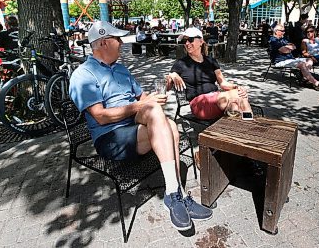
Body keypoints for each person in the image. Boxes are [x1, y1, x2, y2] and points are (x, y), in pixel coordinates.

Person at [69, 21, 212, 231]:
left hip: (134, 126)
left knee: (166, 121)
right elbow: (100, 117)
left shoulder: (120, 69)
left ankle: (174, 194)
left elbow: (143, 98)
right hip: (110, 137)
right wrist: (143, 104)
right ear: (104, 43)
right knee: (169, 125)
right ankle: (176, 194)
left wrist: (153, 98)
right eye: (117, 39)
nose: (121, 43)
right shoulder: (83, 75)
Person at [169, 27, 252, 120]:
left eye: (190, 39)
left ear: (201, 41)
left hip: (217, 98)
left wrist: (237, 87)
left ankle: (245, 127)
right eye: (185, 41)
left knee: (238, 99)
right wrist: (172, 75)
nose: (187, 43)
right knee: (233, 98)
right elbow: (167, 86)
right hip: (199, 104)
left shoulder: (211, 61)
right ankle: (248, 127)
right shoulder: (181, 63)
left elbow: (223, 83)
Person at [269, 25, 319, 91]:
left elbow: (294, 46)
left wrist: (288, 48)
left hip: (291, 59)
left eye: (284, 31)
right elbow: (283, 50)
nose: (284, 32)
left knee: (309, 59)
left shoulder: (284, 39)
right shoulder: (273, 40)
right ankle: (316, 83)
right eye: (282, 31)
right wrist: (288, 48)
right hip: (280, 61)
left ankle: (306, 79)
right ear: (276, 31)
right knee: (302, 64)